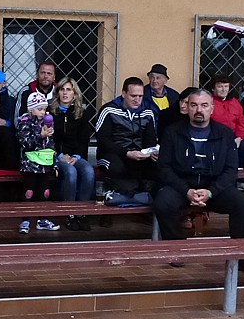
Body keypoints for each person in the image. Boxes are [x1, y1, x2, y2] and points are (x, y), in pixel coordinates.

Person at [154, 89, 244, 277]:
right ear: (187, 107)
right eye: (194, 105)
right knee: (162, 202)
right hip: (182, 185)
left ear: (212, 109)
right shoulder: (172, 132)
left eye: (204, 105)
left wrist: (211, 191)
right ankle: (177, 248)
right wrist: (186, 190)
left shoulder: (225, 133)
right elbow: (163, 168)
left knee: (242, 204)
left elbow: (231, 169)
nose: (199, 110)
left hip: (213, 186)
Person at [94, 77, 157, 205]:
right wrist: (127, 153)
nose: (137, 99)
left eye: (140, 96)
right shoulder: (108, 110)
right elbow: (103, 140)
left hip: (138, 154)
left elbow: (150, 140)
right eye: (133, 96)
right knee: (116, 167)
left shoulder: (148, 112)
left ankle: (136, 196)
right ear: (123, 94)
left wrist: (151, 152)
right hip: (112, 154)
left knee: (158, 165)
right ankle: (120, 195)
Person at [50, 77, 94, 231]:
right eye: (62, 89)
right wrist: (59, 155)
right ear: (57, 93)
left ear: (75, 94)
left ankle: (81, 212)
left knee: (88, 171)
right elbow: (49, 139)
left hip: (76, 155)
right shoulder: (50, 112)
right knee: (71, 172)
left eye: (69, 90)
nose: (65, 93)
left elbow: (84, 139)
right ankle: (69, 213)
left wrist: (77, 156)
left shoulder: (81, 113)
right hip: (56, 155)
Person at [16, 92, 59, 233]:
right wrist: (40, 135)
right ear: (31, 109)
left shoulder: (47, 122)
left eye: (44, 109)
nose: (43, 112)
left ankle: (42, 219)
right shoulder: (24, 122)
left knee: (44, 192)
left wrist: (54, 163)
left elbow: (51, 144)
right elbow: (25, 143)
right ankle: (25, 220)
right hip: (30, 164)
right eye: (39, 109)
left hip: (45, 164)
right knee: (29, 192)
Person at [209, 74, 244, 193]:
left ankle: (243, 181)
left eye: (226, 86)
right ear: (213, 88)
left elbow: (242, 122)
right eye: (220, 86)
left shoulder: (235, 102)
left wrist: (239, 137)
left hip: (234, 137)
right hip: (215, 138)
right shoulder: (208, 102)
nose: (224, 89)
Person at [144, 63, 181, 134]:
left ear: (165, 80)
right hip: (149, 132)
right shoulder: (142, 94)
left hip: (169, 133)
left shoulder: (174, 95)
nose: (154, 80)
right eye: (152, 77)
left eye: (158, 78)